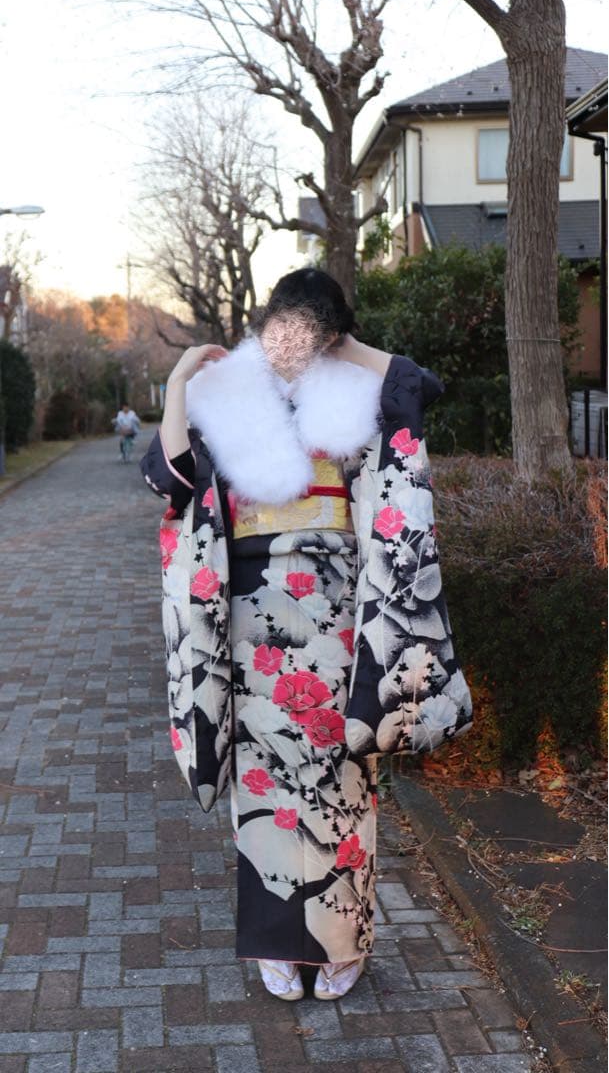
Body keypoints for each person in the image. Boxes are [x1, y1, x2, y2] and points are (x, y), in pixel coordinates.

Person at [139, 267, 473, 1002]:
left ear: (330, 334)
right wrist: (179, 385)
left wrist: (344, 348)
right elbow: (169, 479)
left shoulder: (354, 392)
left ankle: (340, 943)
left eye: (309, 330)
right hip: (249, 619)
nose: (290, 344)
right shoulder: (227, 394)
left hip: (336, 614)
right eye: (281, 326)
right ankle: (275, 945)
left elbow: (419, 387)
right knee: (262, 783)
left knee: (342, 777)